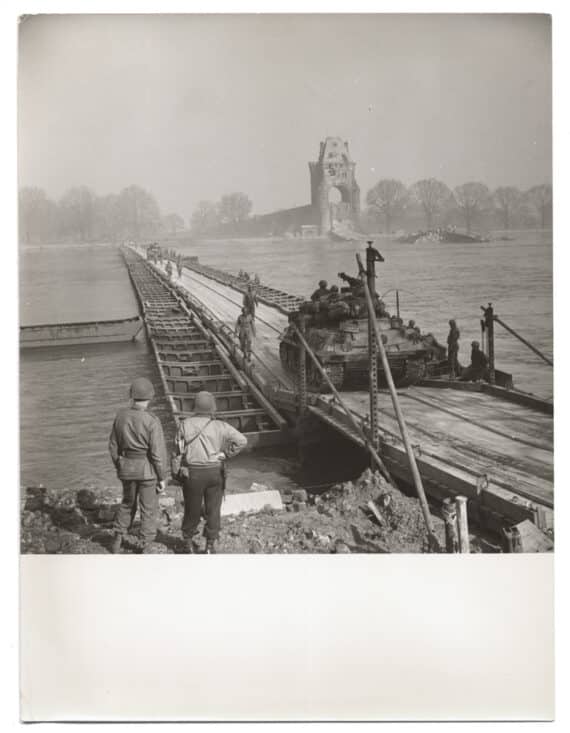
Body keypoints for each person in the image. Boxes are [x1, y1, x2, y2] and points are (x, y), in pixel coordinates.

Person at [174, 391, 247, 553]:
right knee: (213, 509)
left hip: (193, 474)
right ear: (212, 407)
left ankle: (188, 543)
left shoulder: (184, 424)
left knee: (192, 509)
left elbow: (178, 451)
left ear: (195, 406)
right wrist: (226, 453)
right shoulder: (220, 425)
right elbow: (242, 440)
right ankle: (210, 545)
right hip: (215, 472)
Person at [108, 377, 167, 554]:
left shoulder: (120, 416)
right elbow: (157, 454)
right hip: (147, 471)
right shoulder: (152, 420)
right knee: (148, 508)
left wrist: (120, 464)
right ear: (150, 398)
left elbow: (112, 446)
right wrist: (162, 477)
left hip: (127, 468)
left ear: (131, 396)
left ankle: (117, 538)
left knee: (127, 503)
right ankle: (145, 545)